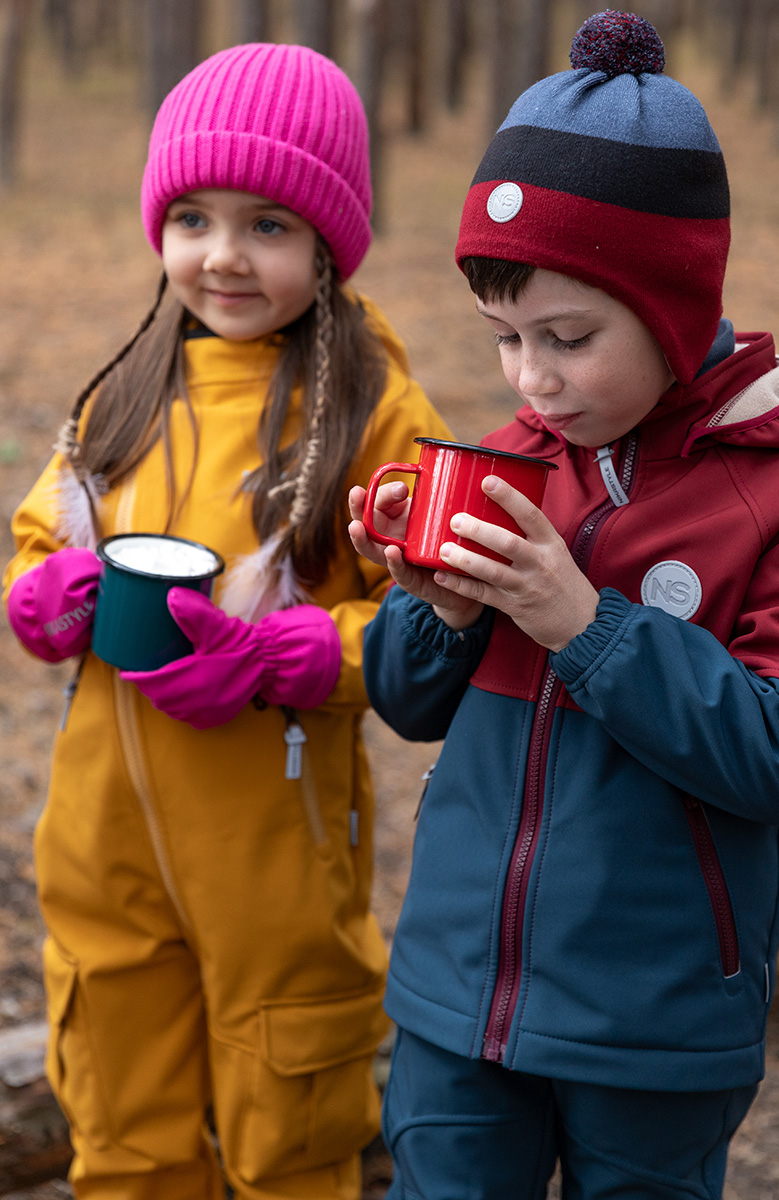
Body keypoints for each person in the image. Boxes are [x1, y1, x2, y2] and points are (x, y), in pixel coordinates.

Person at [348, 11, 779, 1199]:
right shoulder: (518, 456)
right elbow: (406, 703)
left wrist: (586, 624)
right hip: (453, 996)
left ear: (677, 310)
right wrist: (440, 608)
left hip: (657, 1022)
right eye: (506, 339)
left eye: (570, 338)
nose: (532, 379)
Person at [3, 41, 450, 1200]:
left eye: (268, 225)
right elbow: (45, 532)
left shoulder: (374, 410)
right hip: (104, 858)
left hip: (278, 875)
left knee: (289, 1144)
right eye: (193, 216)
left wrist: (294, 654)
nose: (223, 256)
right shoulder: (123, 392)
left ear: (329, 244)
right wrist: (42, 594)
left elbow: (439, 624)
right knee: (124, 1139)